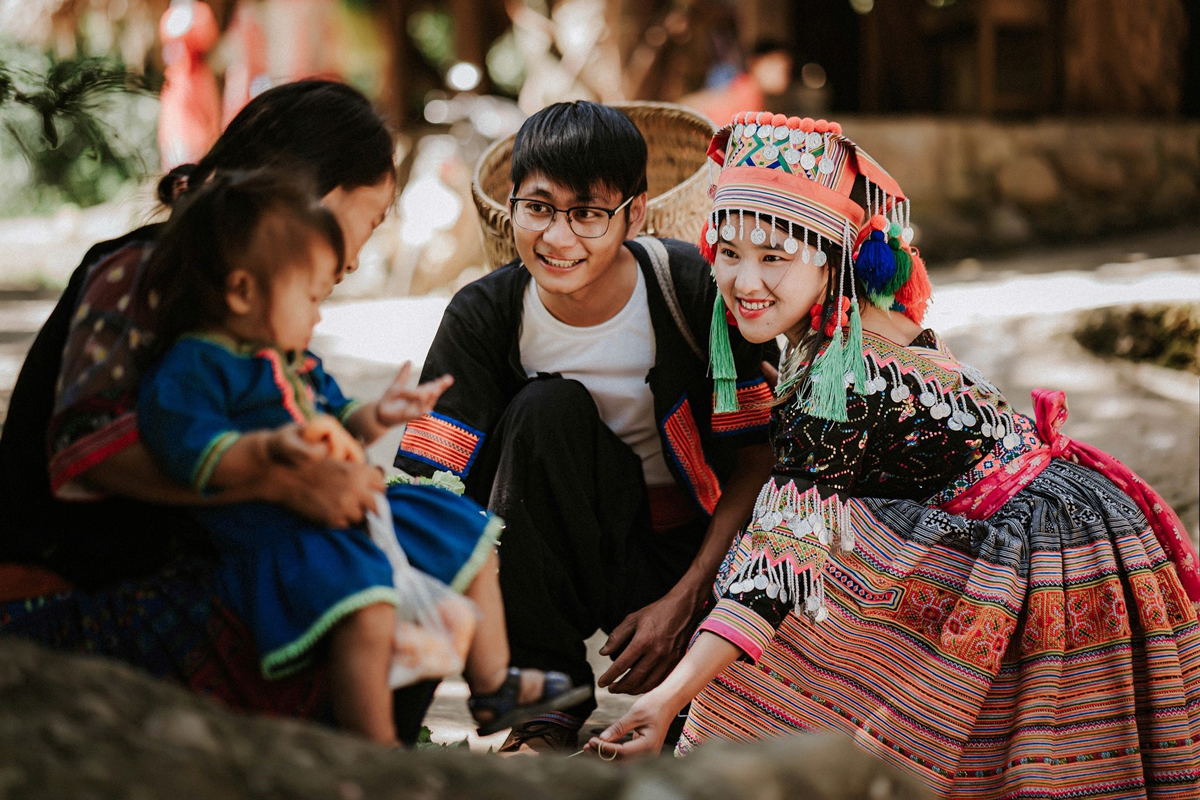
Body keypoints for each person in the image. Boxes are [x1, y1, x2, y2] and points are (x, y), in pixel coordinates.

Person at [587, 111, 1200, 799]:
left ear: (832, 256)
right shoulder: (868, 320)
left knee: (801, 563)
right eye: (729, 252)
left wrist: (667, 698)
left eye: (774, 256)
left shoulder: (836, 380)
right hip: (1068, 518)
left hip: (1049, 557)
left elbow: (776, 568)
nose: (744, 280)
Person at [0, 81, 430, 743]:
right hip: (75, 590)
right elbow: (88, 448)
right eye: (366, 224)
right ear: (304, 195)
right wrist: (281, 480)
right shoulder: (141, 270)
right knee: (366, 601)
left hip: (170, 572)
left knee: (421, 559)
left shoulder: (259, 308)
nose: (356, 260)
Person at [134, 169, 588, 744]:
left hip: (348, 515)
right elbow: (192, 454)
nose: (319, 315)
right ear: (243, 291)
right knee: (371, 612)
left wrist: (381, 413)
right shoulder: (193, 368)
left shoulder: (290, 358)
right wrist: (269, 449)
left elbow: (340, 414)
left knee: (465, 533)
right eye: (312, 296)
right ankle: (374, 749)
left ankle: (493, 682)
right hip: (286, 539)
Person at [394, 100, 778, 752]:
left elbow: (758, 462)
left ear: (635, 214)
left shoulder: (690, 290)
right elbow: (429, 487)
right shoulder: (484, 315)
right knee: (546, 411)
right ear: (509, 206)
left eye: (588, 214)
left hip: (686, 556)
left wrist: (687, 600)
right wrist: (393, 711)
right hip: (549, 546)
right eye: (538, 208)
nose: (558, 237)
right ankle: (548, 702)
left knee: (712, 733)